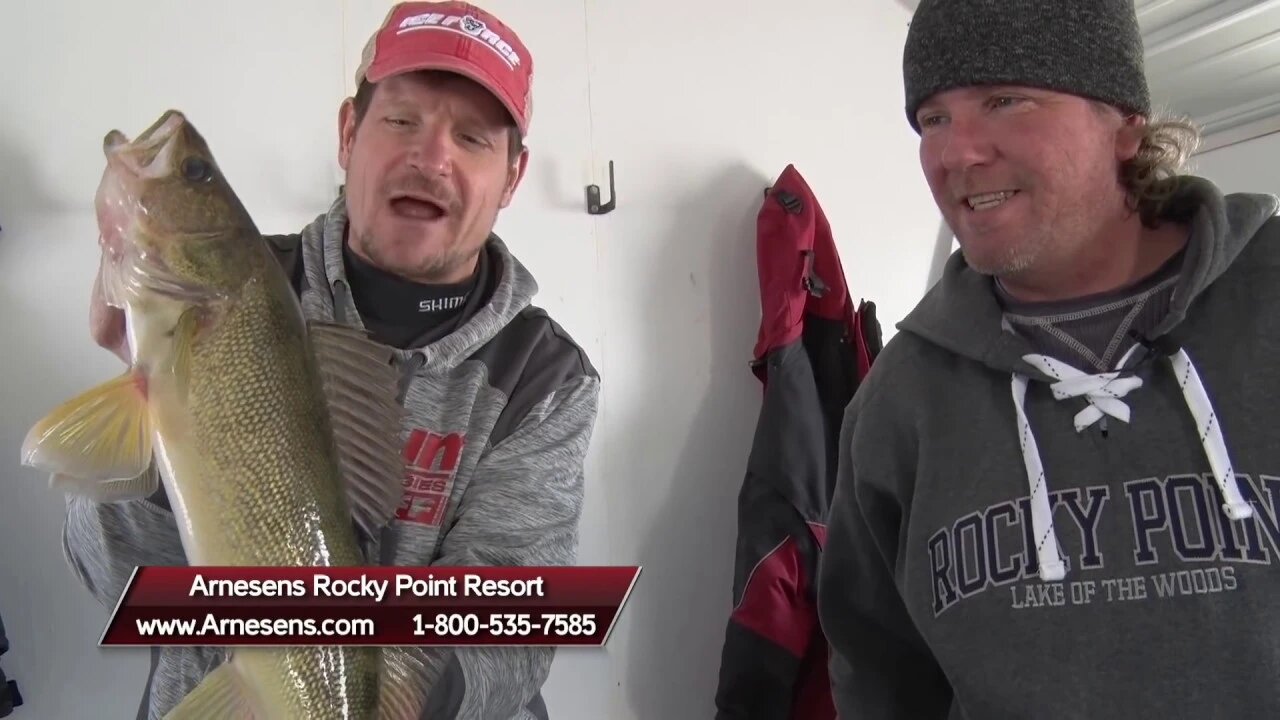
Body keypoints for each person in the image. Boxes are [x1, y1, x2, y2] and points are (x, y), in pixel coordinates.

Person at [65, 2, 600, 719]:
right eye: (401, 120)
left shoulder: (546, 376)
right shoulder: (245, 292)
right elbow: (116, 577)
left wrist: (381, 698)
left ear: (511, 177)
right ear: (349, 134)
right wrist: (167, 423)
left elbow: (509, 624)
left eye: (471, 137)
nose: (431, 157)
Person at [816, 0, 1280, 717]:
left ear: (1124, 124)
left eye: (1004, 100)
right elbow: (879, 676)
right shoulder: (898, 403)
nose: (956, 153)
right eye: (933, 118)